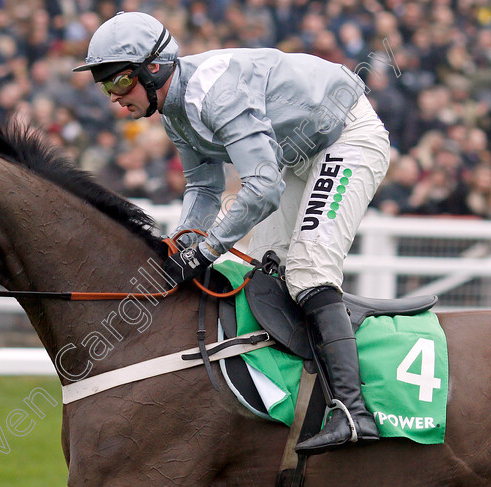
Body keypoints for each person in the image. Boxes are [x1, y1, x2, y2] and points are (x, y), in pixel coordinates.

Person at [74, 12, 390, 455]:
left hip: (346, 137)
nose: (114, 97)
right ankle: (297, 400)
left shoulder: (213, 94)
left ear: (154, 69)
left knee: (306, 270)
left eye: (120, 83)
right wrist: (183, 240)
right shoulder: (173, 111)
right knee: (263, 269)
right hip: (297, 154)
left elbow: (262, 187)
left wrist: (203, 249)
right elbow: (204, 187)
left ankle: (354, 412)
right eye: (105, 87)